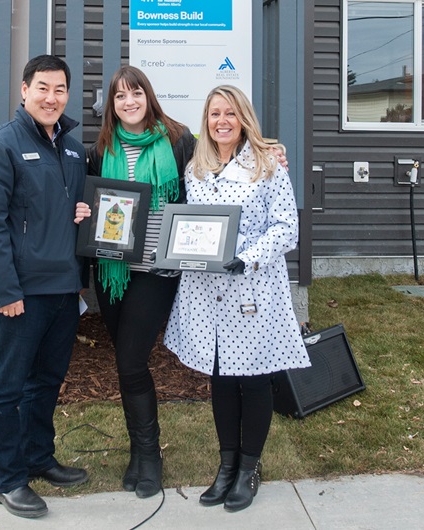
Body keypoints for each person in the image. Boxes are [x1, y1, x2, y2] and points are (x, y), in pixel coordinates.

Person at [74, 68, 287, 499]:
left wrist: (269, 150)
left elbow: (223, 163)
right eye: (119, 96)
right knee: (126, 363)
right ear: (111, 105)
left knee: (134, 360)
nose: (129, 101)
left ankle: (151, 456)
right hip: (114, 274)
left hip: (160, 271)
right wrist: (82, 212)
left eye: (136, 92)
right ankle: (141, 453)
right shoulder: (99, 149)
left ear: (149, 96)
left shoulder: (178, 140)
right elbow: (89, 199)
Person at [163, 85, 311, 513]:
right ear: (206, 121)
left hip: (253, 286)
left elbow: (286, 228)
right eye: (214, 114)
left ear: (243, 118)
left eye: (230, 113)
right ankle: (226, 465)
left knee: (254, 375)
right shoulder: (197, 168)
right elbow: (192, 225)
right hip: (207, 291)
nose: (221, 121)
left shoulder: (266, 165)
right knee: (221, 376)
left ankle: (249, 468)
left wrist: (246, 259)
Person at [0, 54, 88, 519]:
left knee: (47, 382)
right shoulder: (1, 147)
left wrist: (85, 214)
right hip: (20, 294)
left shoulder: (74, 150)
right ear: (23, 90)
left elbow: (78, 209)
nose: (51, 97)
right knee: (6, 387)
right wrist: (5, 291)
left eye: (59, 89)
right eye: (42, 88)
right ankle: (8, 478)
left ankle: (38, 458)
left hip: (64, 290)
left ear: (67, 95)